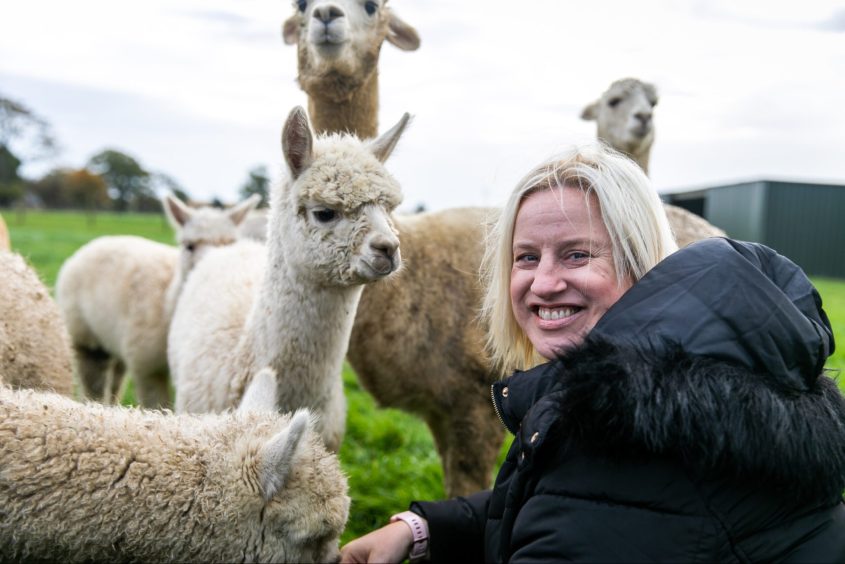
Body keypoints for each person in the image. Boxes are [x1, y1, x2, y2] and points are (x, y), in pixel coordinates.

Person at [340, 142, 845, 563]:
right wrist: (423, 526)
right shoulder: (693, 391)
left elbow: (588, 507)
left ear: (642, 260)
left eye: (578, 254)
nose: (543, 283)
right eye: (526, 257)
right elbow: (558, 498)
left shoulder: (629, 447)